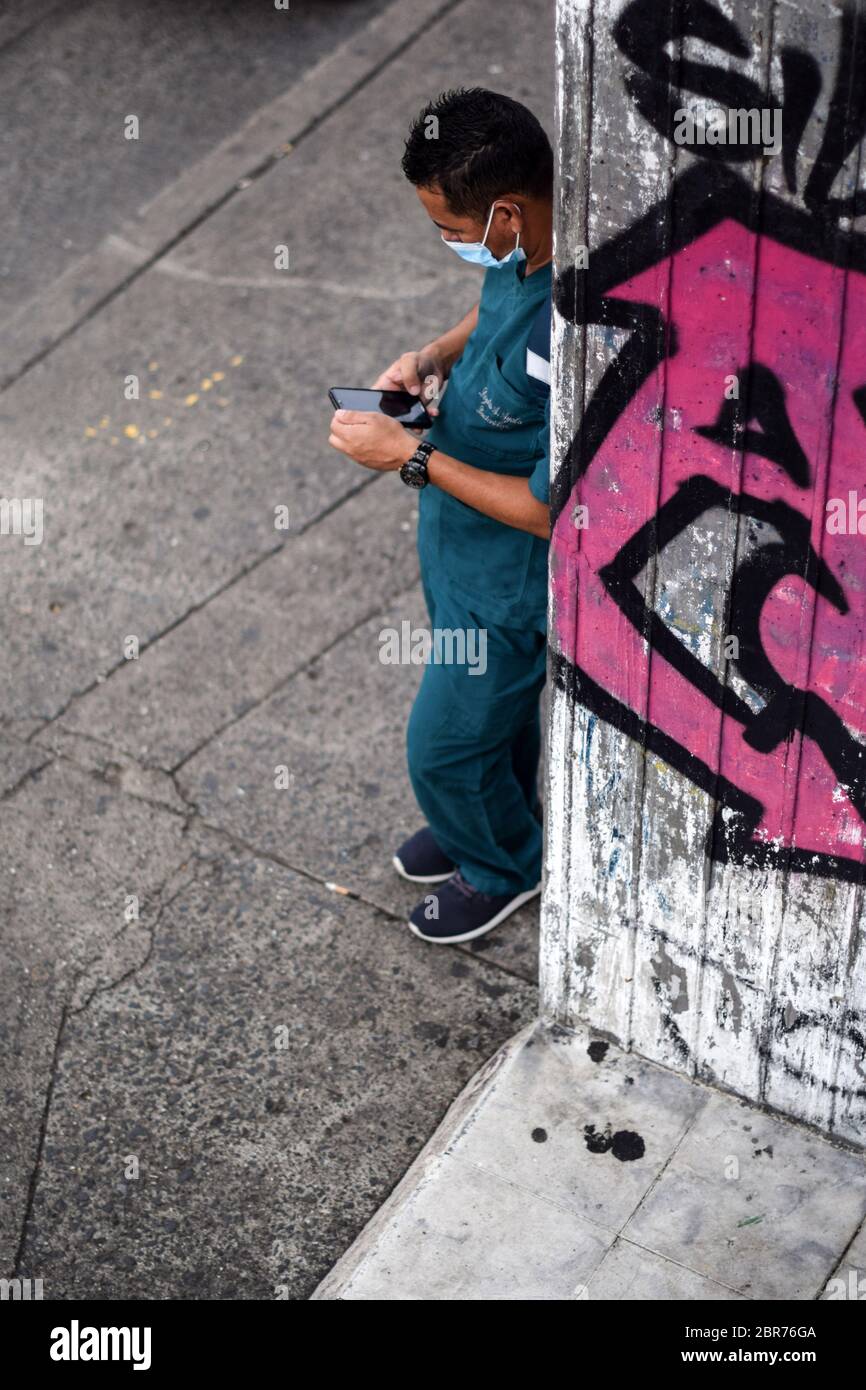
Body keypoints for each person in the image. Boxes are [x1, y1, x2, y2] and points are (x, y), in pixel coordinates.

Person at [328, 87, 553, 944]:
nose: (451, 244)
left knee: (443, 750)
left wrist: (409, 457)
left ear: (505, 212)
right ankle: (493, 821)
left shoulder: (578, 323)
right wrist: (429, 357)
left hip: (507, 581)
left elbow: (545, 512)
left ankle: (503, 867)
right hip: (457, 548)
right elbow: (491, 307)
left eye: (451, 231)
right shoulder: (520, 253)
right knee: (491, 732)